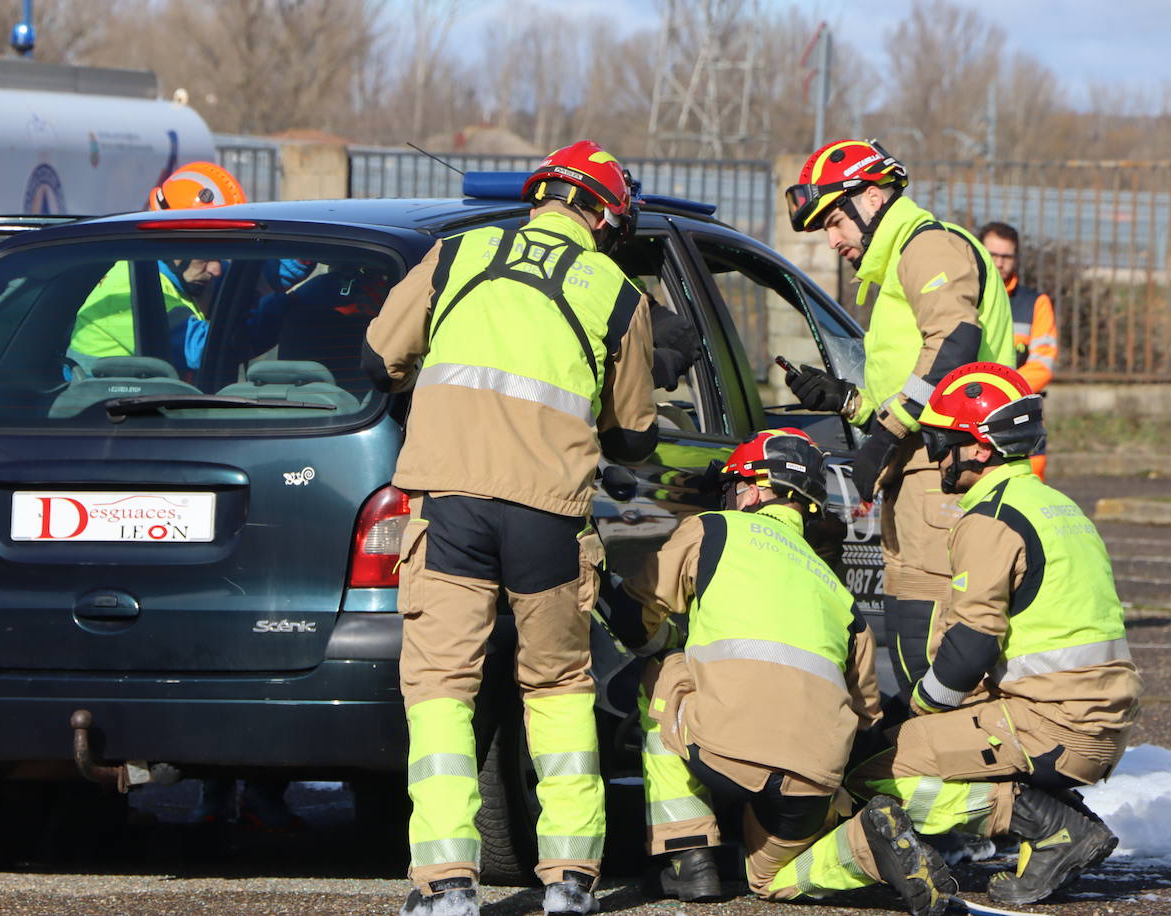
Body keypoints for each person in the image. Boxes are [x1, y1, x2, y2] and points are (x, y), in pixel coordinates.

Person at [362, 139, 658, 916]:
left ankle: (447, 886)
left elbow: (376, 359)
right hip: (549, 517)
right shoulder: (617, 292)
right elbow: (633, 435)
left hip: (449, 507)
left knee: (439, 691)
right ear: (603, 214)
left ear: (542, 196)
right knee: (559, 688)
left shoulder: (457, 254)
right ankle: (569, 882)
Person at [603, 429, 954, 916]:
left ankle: (689, 856)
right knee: (771, 878)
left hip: (723, 754)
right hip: (810, 781)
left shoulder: (714, 529)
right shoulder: (836, 590)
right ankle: (867, 847)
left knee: (663, 672)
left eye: (733, 487)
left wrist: (654, 635)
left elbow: (637, 617)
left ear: (753, 488)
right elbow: (867, 717)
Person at [845, 361, 1142, 906]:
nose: (935, 456)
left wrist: (912, 709)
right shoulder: (1057, 505)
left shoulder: (989, 519)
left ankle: (1058, 830)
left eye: (942, 441)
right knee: (927, 729)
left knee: (873, 771)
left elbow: (970, 647)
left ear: (980, 449)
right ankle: (1058, 819)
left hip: (1055, 724)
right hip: (1096, 717)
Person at [781, 139, 1016, 707]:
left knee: (935, 645)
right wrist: (850, 403)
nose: (833, 240)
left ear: (872, 195)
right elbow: (918, 391)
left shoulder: (927, 247)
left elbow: (954, 345)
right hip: (923, 477)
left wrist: (883, 435)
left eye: (836, 221)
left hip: (947, 476)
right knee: (916, 649)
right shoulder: (896, 271)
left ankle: (973, 789)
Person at [67, 161, 303, 376]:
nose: (216, 269)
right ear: (169, 239)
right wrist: (293, 305)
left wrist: (303, 257)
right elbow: (207, 349)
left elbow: (251, 283)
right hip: (99, 416)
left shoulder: (178, 273)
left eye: (220, 256)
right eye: (207, 256)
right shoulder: (128, 292)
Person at [979, 221, 1058, 480]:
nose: (999, 263)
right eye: (993, 255)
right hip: (972, 418)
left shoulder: (1036, 303)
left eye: (1006, 256)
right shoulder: (966, 297)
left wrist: (1001, 392)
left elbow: (1042, 364)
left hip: (1021, 419)